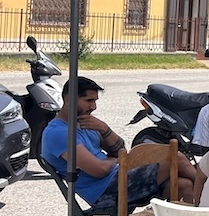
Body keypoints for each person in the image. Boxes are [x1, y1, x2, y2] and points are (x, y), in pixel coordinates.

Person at [41, 76, 196, 207]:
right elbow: (99, 170)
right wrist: (116, 160)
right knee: (175, 158)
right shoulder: (58, 133)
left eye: (95, 101)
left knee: (184, 185)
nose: (93, 107)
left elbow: (120, 148)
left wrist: (104, 129)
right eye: (89, 101)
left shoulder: (85, 122)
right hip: (105, 192)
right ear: (69, 100)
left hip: (121, 178)